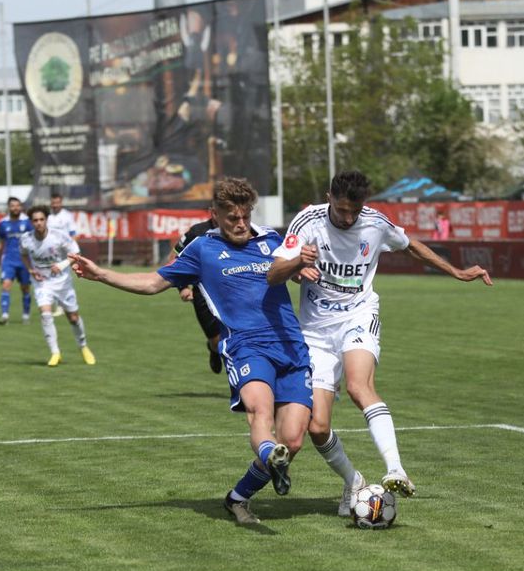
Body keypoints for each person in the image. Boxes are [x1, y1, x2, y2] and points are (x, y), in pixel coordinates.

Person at [69, 176, 311, 526]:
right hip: (245, 347)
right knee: (260, 412)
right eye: (232, 218)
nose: (240, 224)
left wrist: (305, 267)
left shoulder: (271, 240)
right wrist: (102, 274)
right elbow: (153, 282)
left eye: (245, 216)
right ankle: (268, 452)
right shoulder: (201, 250)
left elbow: (296, 273)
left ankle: (238, 497)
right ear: (215, 215)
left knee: (293, 440)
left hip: (291, 346)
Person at [267, 169, 493, 516]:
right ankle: (353, 481)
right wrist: (298, 263)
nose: (348, 218)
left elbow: (410, 245)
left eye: (354, 211)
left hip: (359, 316)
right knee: (318, 427)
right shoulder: (308, 221)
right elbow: (274, 274)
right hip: (315, 332)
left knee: (359, 387)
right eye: (342, 210)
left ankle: (396, 469)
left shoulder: (375, 222)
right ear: (329, 198)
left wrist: (456, 272)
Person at [20, 205, 96, 367]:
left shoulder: (59, 236)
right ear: (31, 222)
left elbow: (76, 254)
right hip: (42, 283)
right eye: (35, 220)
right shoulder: (26, 239)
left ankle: (83, 346)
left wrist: (62, 265)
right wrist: (30, 270)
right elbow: (24, 254)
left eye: (41, 219)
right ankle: (55, 353)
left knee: (73, 318)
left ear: (46, 220)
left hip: (63, 282)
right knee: (45, 315)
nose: (39, 223)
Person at [172, 217, 225, 373]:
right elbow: (177, 256)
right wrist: (182, 287)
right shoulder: (197, 231)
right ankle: (213, 348)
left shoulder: (236, 231)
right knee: (216, 341)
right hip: (202, 292)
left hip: (228, 290)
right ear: (213, 211)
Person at [0, 196, 33, 325]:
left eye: (18, 205)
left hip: (25, 260)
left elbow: (34, 239)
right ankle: (5, 315)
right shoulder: (3, 223)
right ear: (8, 207)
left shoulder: (27, 221)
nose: (15, 208)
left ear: (21, 207)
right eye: (13, 206)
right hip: (9, 259)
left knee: (25, 288)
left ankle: (26, 314)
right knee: (6, 285)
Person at [45, 192, 78, 316]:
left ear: (61, 203)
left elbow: (73, 234)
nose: (55, 205)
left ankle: (63, 305)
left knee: (64, 277)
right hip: (51, 251)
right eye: (53, 203)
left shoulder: (67, 216)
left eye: (57, 203)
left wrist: (72, 251)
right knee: (52, 275)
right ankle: (57, 304)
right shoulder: (48, 216)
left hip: (64, 251)